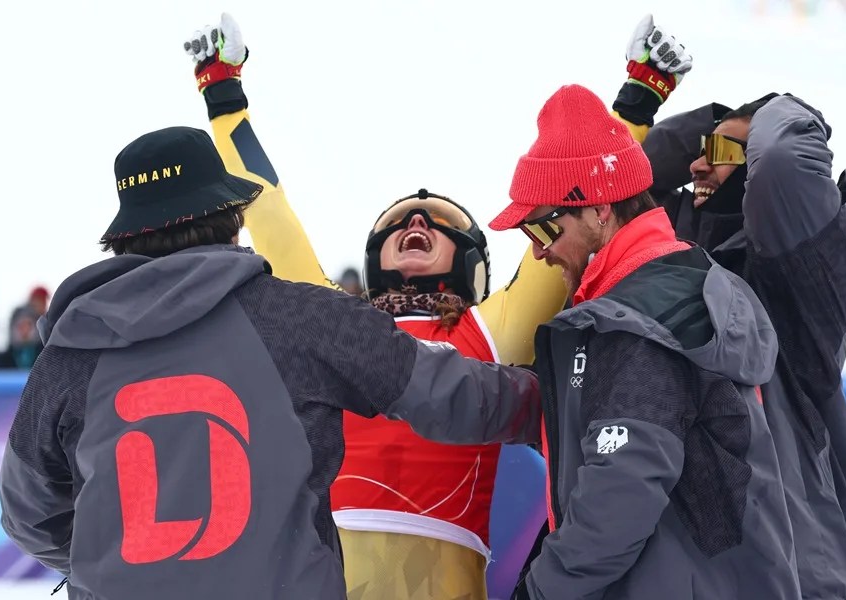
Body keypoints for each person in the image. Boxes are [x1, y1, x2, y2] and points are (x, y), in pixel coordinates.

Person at [180, 12, 688, 598]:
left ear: (470, 259)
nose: (416, 221)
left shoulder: (489, 334)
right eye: (398, 223)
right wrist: (223, 93)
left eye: (436, 222)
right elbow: (269, 214)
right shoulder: (332, 329)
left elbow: (586, 182)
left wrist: (639, 95)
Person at [0, 126, 543, 600]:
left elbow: (28, 514)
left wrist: (115, 562)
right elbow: (448, 393)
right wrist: (562, 401)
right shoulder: (300, 316)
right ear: (230, 221)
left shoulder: (68, 356)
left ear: (123, 241)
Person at [489, 83, 800, 599]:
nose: (540, 254)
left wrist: (537, 593)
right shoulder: (668, 284)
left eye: (544, 230)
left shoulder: (639, 320)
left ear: (598, 211)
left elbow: (617, 500)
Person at [640, 91, 846, 598]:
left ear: (753, 168)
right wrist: (716, 122)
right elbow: (631, 180)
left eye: (720, 154)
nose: (697, 164)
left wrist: (781, 107)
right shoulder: (666, 258)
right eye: (698, 151)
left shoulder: (798, 281)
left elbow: (783, 165)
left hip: (790, 576)